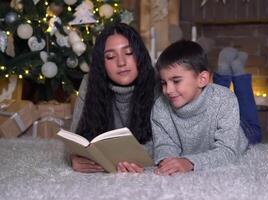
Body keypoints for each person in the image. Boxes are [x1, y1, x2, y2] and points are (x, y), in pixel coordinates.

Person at [151, 40, 248, 176]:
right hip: (201, 145)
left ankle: (234, 67)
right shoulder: (160, 106)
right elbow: (164, 145)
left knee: (253, 128)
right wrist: (168, 162)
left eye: (176, 81)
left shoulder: (224, 100)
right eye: (164, 82)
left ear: (202, 79)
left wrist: (190, 162)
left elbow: (228, 151)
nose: (168, 90)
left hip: (239, 135)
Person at [70, 22, 156, 173]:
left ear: (140, 56)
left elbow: (167, 143)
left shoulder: (159, 83)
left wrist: (127, 159)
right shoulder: (89, 82)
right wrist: (75, 157)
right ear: (102, 64)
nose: (121, 63)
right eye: (110, 57)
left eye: (128, 53)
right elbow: (76, 137)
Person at [213, 47, 262, 144]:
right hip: (240, 133)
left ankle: (228, 71)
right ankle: (236, 71)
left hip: (218, 131)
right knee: (253, 131)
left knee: (216, 114)